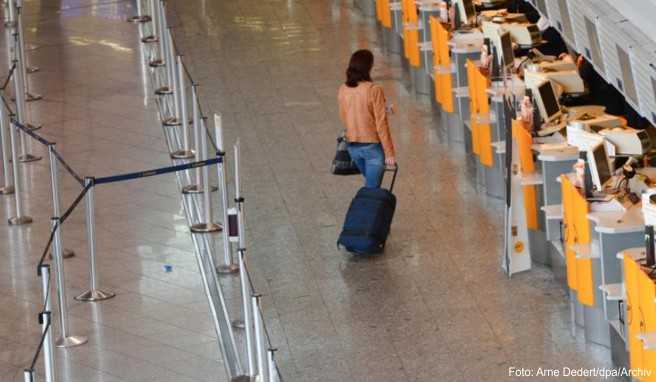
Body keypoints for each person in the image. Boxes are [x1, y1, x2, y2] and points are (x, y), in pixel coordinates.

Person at [337, 49, 396, 188]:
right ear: (368, 67)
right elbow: (381, 124)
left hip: (353, 147)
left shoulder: (343, 89)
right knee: (371, 189)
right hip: (372, 149)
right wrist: (389, 153)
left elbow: (345, 116)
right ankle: (364, 209)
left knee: (370, 185)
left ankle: (369, 208)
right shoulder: (374, 90)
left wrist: (383, 110)